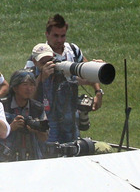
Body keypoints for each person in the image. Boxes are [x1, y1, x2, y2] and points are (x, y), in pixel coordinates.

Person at [25, 14, 104, 144]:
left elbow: (87, 71)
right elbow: (27, 91)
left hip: (70, 113)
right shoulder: (38, 56)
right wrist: (42, 76)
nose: (59, 40)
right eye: (55, 36)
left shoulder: (73, 50)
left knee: (73, 149)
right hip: (49, 115)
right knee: (51, 151)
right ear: (47, 34)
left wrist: (98, 92)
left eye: (63, 36)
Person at [0, 70, 48, 161]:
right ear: (15, 88)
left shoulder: (38, 108)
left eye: (32, 85)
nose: (29, 89)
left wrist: (36, 130)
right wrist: (10, 128)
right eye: (25, 85)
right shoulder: (1, 106)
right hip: (5, 156)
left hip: (32, 156)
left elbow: (45, 137)